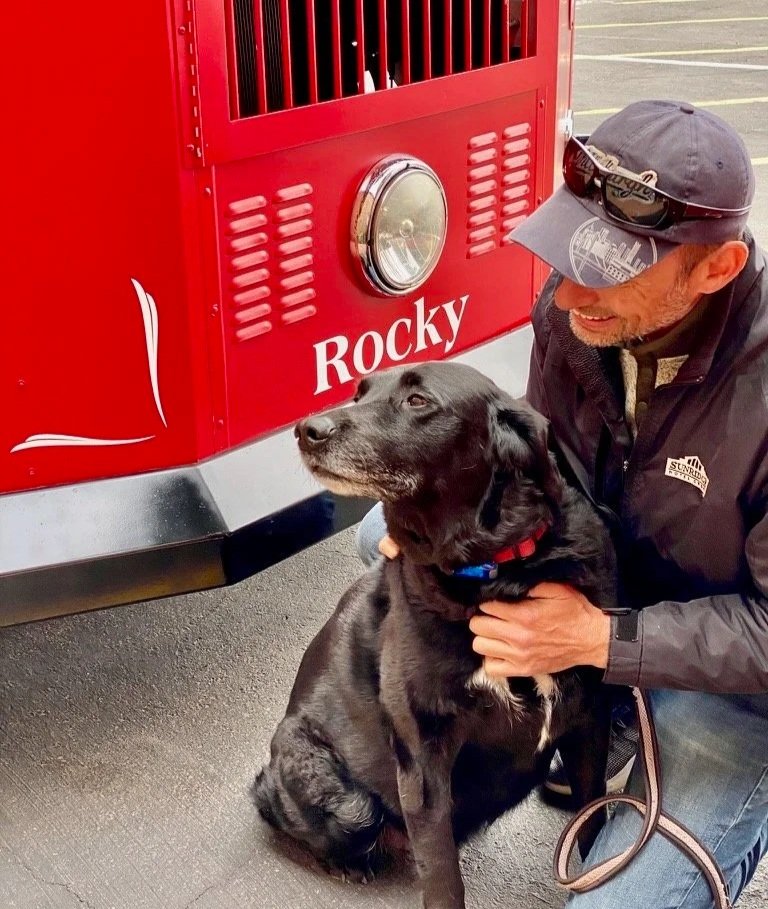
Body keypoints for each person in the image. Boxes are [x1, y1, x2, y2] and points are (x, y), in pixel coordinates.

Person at [355, 99, 768, 907]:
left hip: (735, 677)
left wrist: (597, 638)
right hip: (614, 585)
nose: (570, 295)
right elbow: (551, 466)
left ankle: (680, 748)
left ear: (715, 269)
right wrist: (445, 512)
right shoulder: (579, 315)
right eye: (567, 252)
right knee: (382, 532)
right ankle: (600, 707)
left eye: (611, 270)